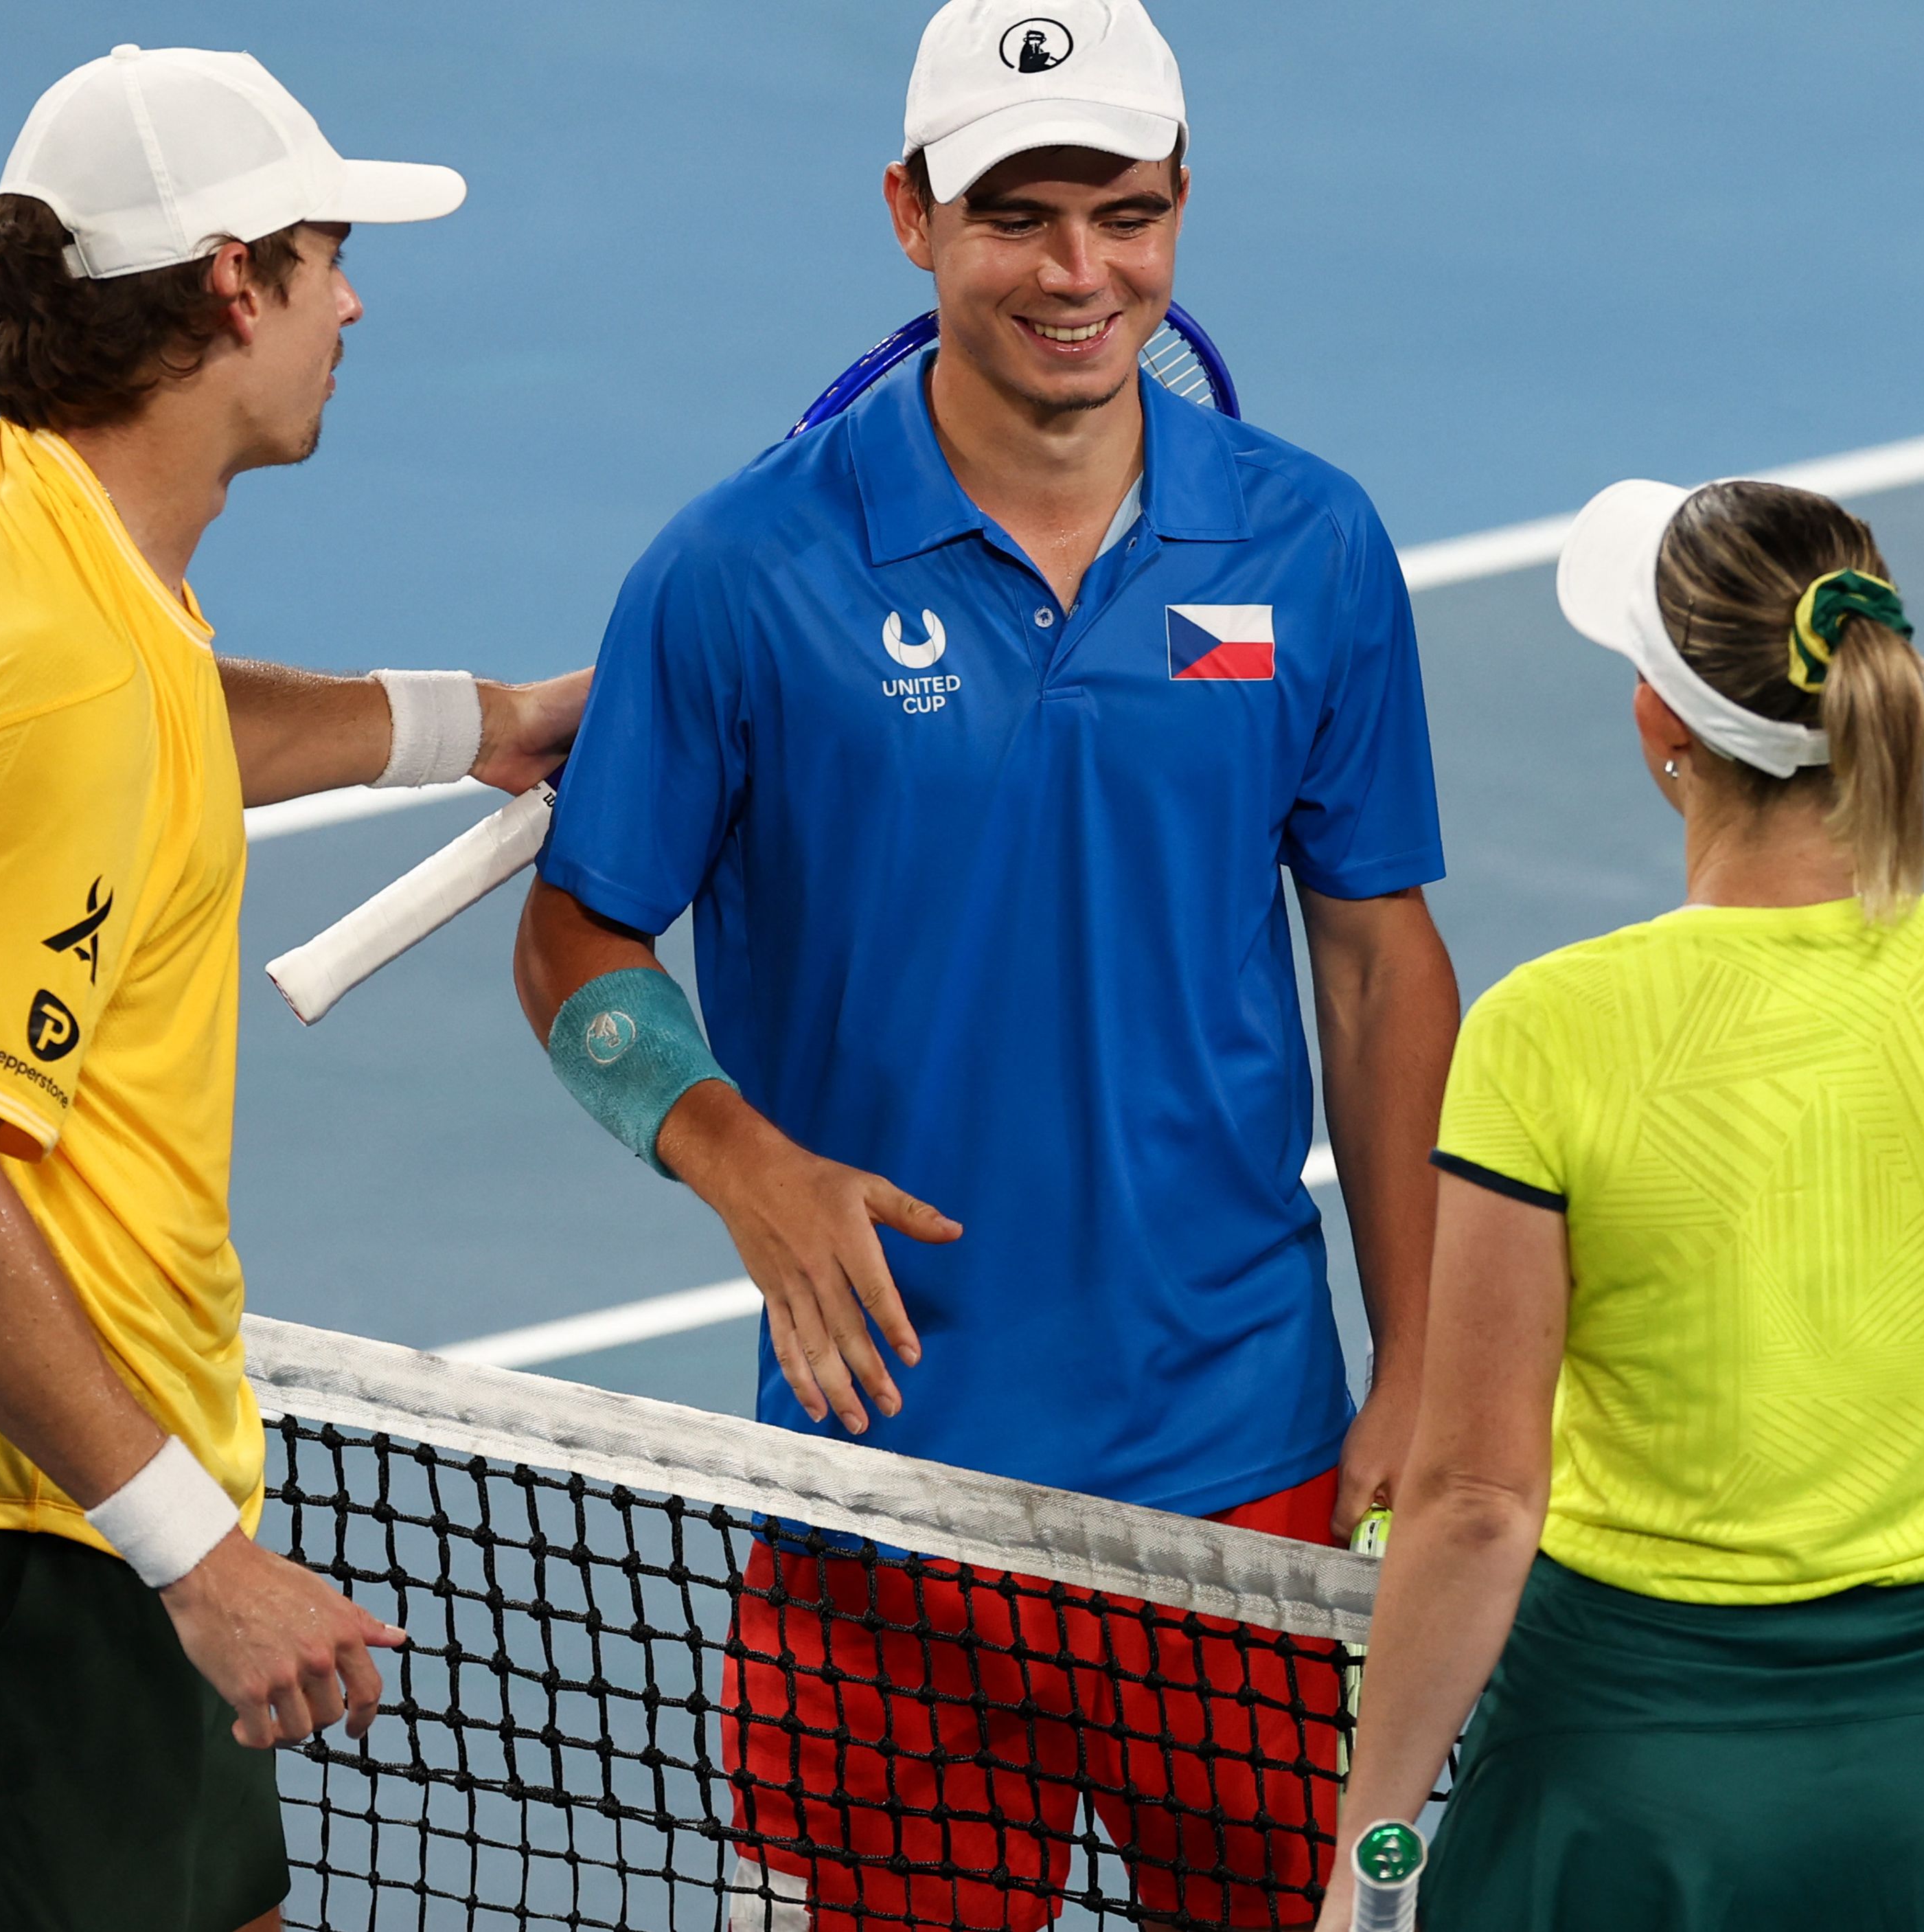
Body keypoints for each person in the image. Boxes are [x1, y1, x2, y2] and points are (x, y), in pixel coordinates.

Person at [512, 1, 1459, 1922]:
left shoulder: (1307, 549)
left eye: (1124, 213)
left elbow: (1376, 961)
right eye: (1020, 215)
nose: (1077, 270)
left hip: (1239, 1467)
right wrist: (730, 1151)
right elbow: (578, 934)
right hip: (883, 1486)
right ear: (912, 215)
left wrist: (1426, 1350)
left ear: (1183, 207)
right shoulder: (739, 575)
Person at [0, 46, 587, 1932]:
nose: (353, 298)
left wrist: (483, 721)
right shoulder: (49, 661)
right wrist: (193, 1553)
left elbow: (164, 725)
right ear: (234, 285)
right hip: (22, 1534)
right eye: (326, 253)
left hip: (43, 1508)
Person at [1323, 479, 1924, 1931]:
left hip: (1624, 1800)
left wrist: (1370, 1867)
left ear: (1663, 729)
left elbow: (1475, 1504)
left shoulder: (1550, 1030)